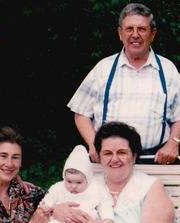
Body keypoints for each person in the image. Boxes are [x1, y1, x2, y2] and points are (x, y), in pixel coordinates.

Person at [54, 121, 179, 223]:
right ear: (99, 157)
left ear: (134, 156)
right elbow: (57, 205)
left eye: (122, 152)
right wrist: (58, 210)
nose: (114, 159)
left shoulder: (150, 186)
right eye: (107, 153)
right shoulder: (89, 185)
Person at [67, 3, 180, 165]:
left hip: (155, 160)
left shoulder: (168, 70)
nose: (135, 35)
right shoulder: (103, 68)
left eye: (142, 29)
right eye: (129, 29)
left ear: (152, 34)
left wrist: (173, 142)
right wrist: (93, 145)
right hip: (109, 161)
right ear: (120, 33)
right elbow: (81, 113)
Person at [34, 145, 119, 223]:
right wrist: (47, 206)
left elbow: (105, 203)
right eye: (69, 181)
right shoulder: (59, 188)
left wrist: (107, 219)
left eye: (78, 182)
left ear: (87, 179)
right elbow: (49, 199)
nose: (73, 186)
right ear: (64, 177)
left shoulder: (95, 189)